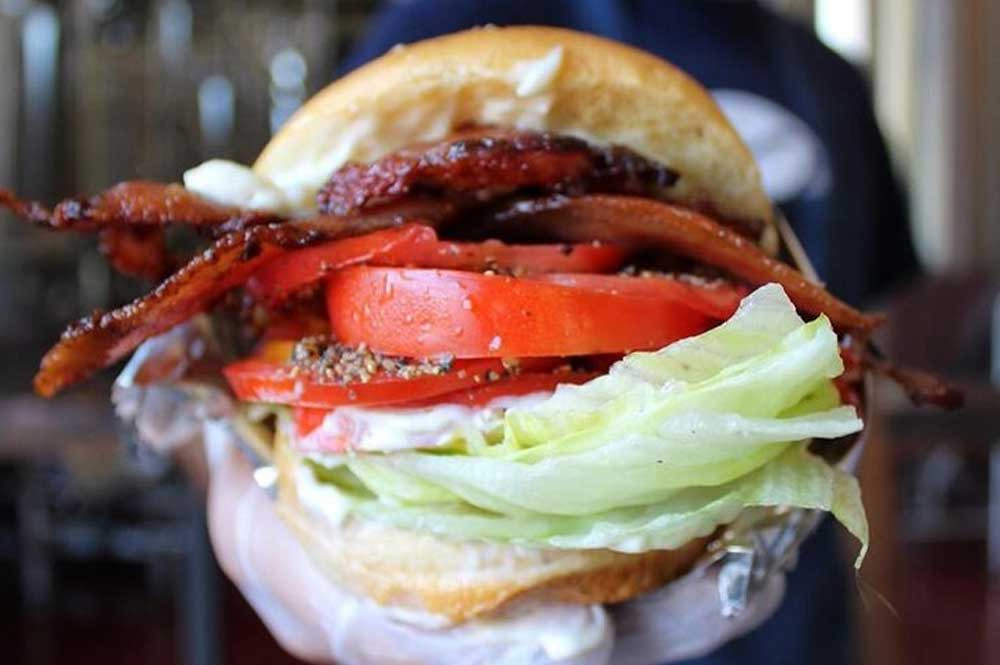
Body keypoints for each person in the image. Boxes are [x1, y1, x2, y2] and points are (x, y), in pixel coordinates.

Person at [208, 2, 918, 663]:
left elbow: (856, 387)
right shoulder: (435, 19)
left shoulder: (828, 81)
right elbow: (263, 337)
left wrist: (884, 633)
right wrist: (239, 516)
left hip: (797, 632)